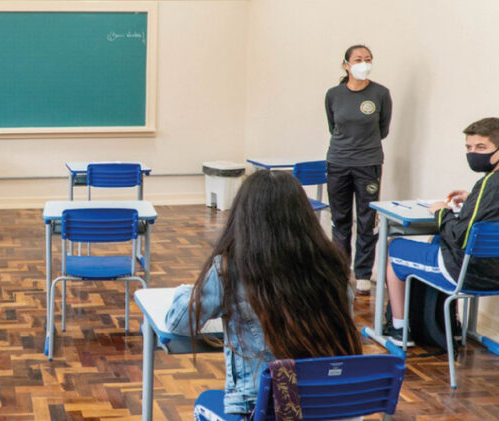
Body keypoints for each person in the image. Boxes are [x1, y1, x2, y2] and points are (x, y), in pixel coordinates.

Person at [165, 170, 362, 417]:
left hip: (262, 410)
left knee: (204, 402)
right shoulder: (332, 267)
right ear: (303, 216)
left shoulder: (230, 269)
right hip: (328, 408)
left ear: (243, 218)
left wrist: (186, 291)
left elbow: (179, 322)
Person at [383, 117, 499, 343]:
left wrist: (440, 212)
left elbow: (460, 237)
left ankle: (399, 329)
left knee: (394, 246)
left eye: (481, 147)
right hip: (494, 273)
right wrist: (473, 199)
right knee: (437, 240)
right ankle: (450, 325)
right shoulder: (488, 187)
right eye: (468, 147)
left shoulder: (489, 183)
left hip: (468, 273)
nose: (473, 153)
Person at [325, 45, 393, 295]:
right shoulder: (333, 94)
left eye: (368, 59)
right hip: (338, 162)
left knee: (367, 219)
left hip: (368, 163)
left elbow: (383, 129)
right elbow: (333, 126)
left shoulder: (381, 93)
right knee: (340, 219)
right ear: (346, 65)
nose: (363, 63)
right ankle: (340, 270)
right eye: (358, 59)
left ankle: (363, 273)